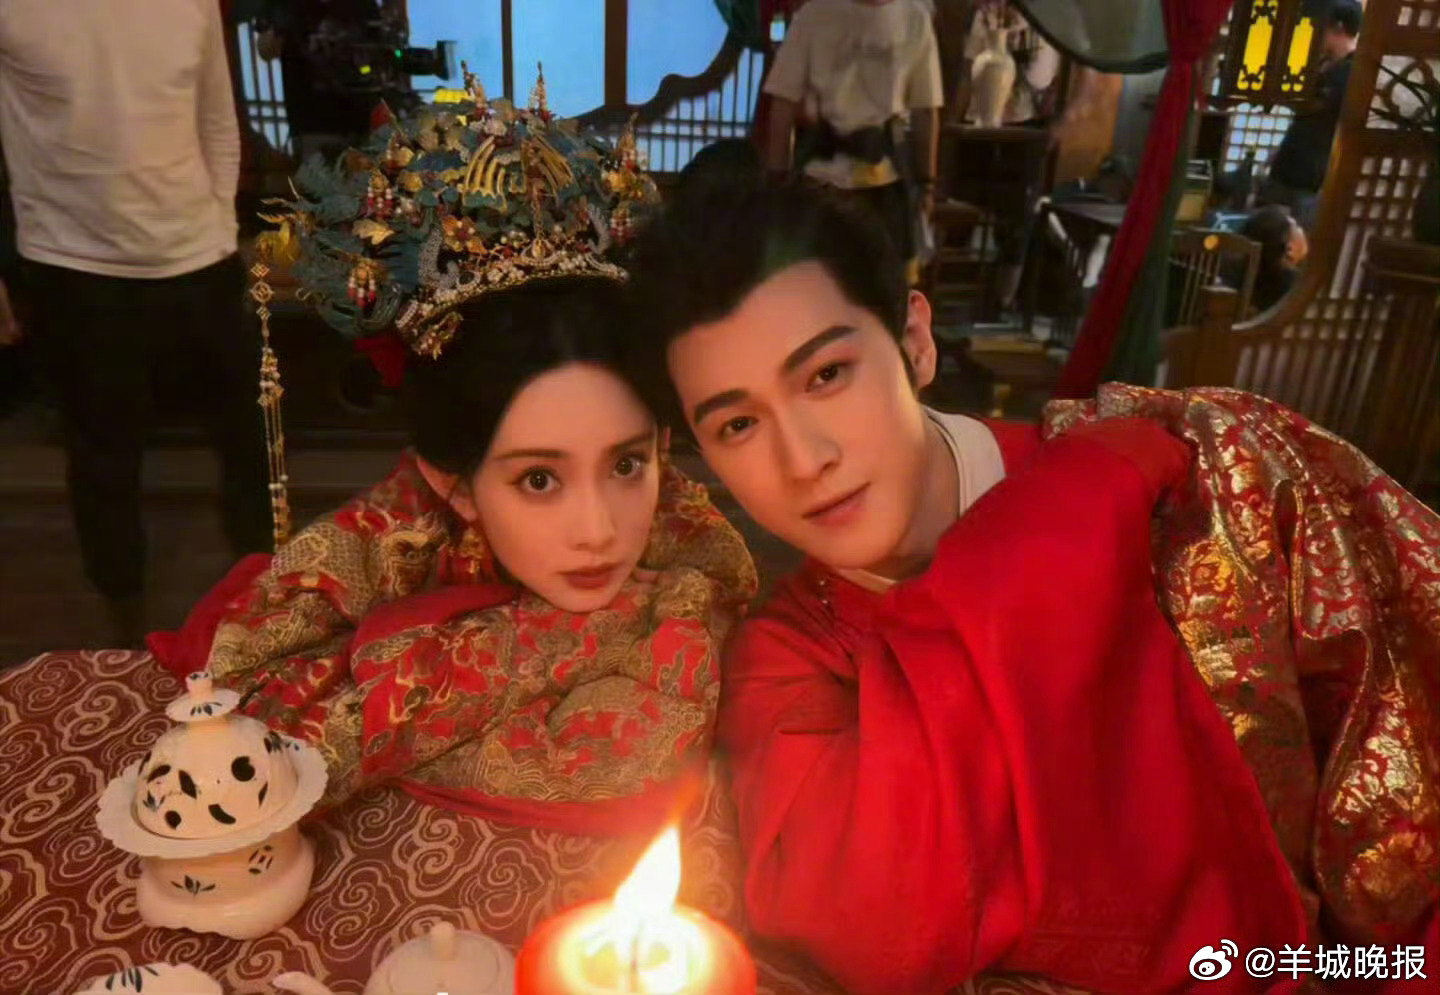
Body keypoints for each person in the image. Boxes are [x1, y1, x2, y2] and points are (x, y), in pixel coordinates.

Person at [625, 176, 1439, 992]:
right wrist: (1054, 529)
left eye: (827, 374)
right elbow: (877, 930)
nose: (805, 459)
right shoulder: (790, 658)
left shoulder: (1203, 466)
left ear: (914, 341)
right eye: (738, 424)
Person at [148, 75, 757, 830]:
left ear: (663, 445)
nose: (599, 529)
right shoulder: (378, 547)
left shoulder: (692, 554)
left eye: (627, 464)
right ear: (452, 482)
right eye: (540, 478)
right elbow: (250, 727)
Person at [0, 0, 272, 646]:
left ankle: (267, 596)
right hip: (72, 267)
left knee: (250, 439)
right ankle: (123, 619)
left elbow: (217, 119)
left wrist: (220, 226)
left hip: (201, 257)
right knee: (103, 460)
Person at [762, 0, 943, 279]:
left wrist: (927, 185)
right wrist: (777, 180)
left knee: (869, 289)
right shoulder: (816, 13)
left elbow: (926, 112)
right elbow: (783, 103)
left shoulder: (914, 17)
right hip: (826, 179)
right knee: (828, 285)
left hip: (878, 180)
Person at [1261, 1, 1361, 229]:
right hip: (1288, 166)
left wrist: (1280, 94)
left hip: (1310, 177)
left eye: (1318, 26)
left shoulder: (1351, 69)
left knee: (1295, 236)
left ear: (1337, 27)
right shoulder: (1323, 64)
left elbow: (1313, 106)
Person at [1240, 204, 1309, 313]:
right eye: (1297, 227)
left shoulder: (1244, 281)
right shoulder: (1300, 287)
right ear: (1289, 249)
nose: (1302, 230)